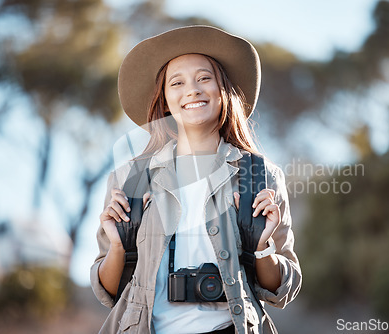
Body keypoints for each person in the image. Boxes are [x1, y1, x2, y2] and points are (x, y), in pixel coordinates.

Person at [91, 25, 302, 334]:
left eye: (204, 78)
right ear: (164, 99)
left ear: (224, 90)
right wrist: (117, 246)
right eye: (177, 82)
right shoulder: (129, 178)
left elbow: (283, 288)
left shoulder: (261, 175)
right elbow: (108, 291)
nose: (192, 90)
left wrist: (262, 247)